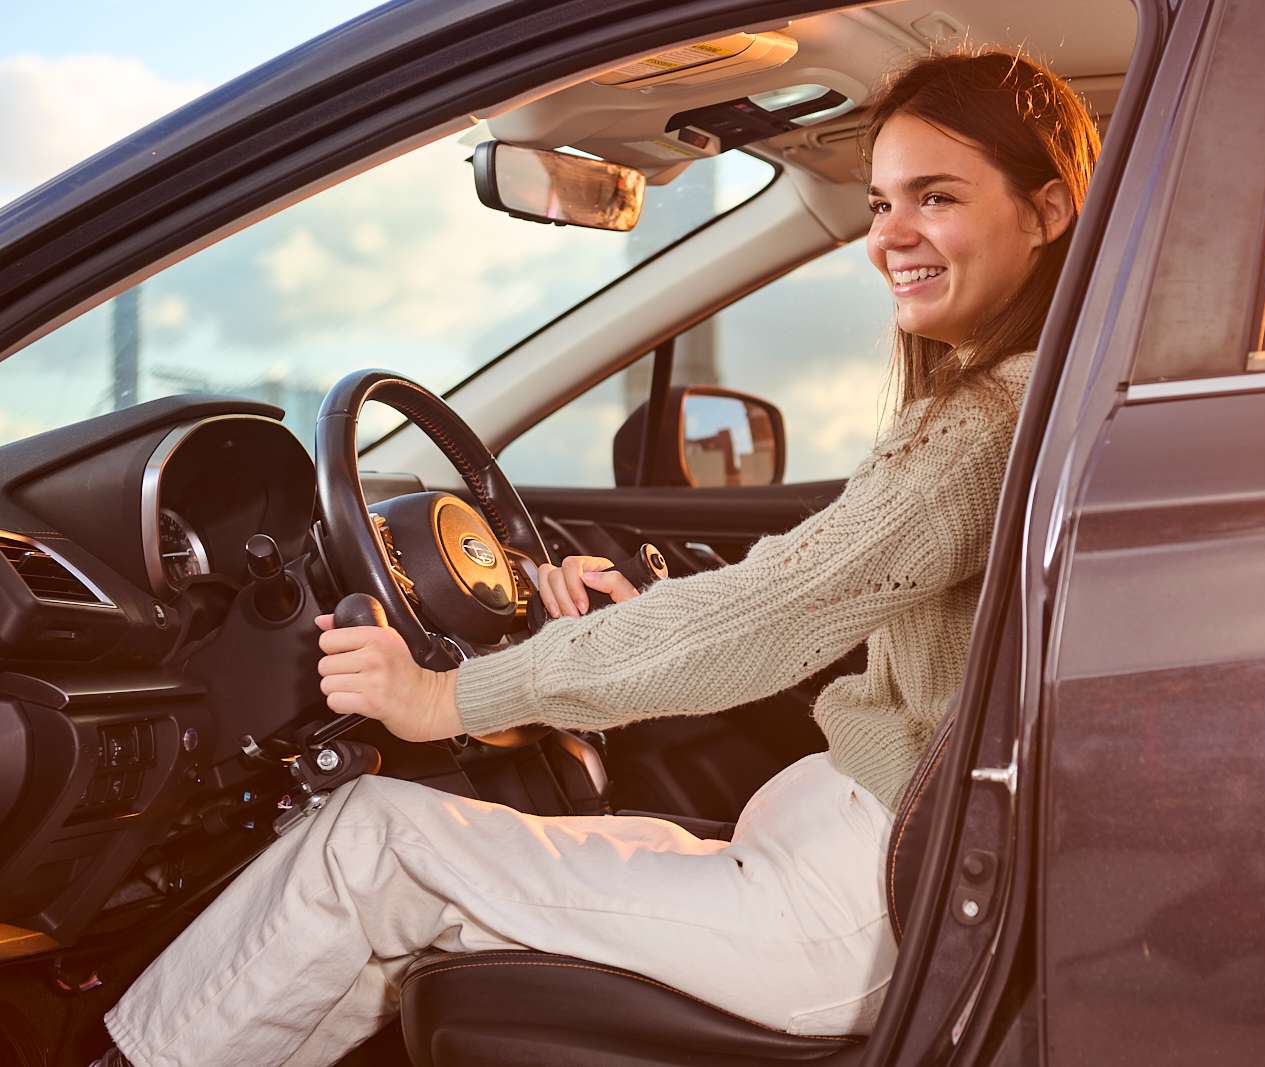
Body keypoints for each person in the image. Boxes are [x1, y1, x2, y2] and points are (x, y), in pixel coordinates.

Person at [92, 47, 1101, 1067]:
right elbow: (808, 590)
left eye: (936, 197)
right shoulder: (1018, 403)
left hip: (850, 911)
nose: (890, 235)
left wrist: (444, 697)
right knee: (405, 879)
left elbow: (774, 611)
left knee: (371, 845)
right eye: (881, 202)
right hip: (848, 867)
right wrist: (634, 620)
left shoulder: (983, 425)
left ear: (1048, 211)